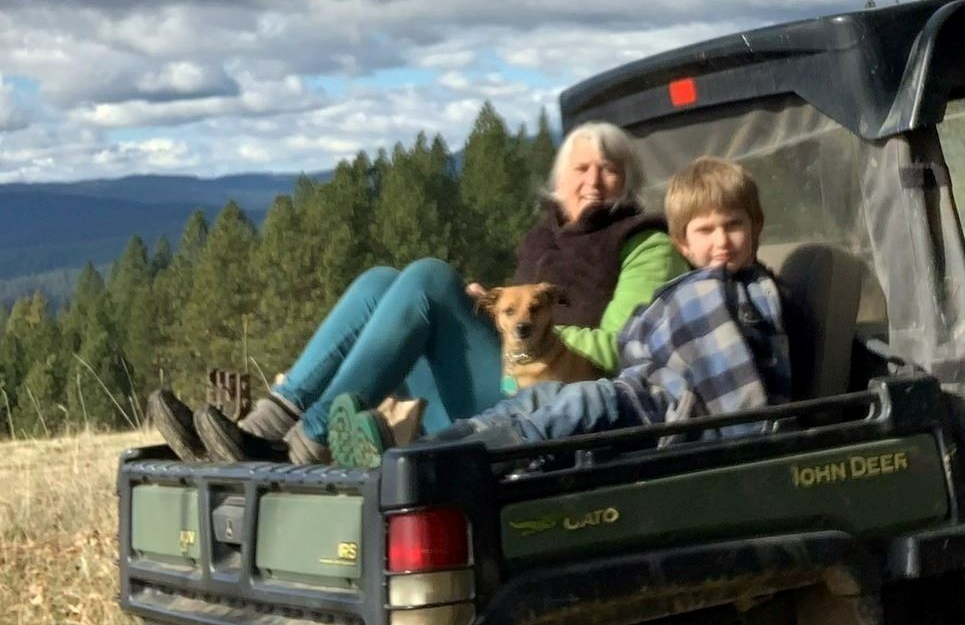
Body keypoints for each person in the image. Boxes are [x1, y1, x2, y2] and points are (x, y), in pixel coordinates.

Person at [147, 122, 685, 465]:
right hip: (506, 378)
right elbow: (517, 318)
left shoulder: (643, 242)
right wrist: (497, 310)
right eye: (582, 168)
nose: (593, 180)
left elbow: (620, 346)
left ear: (627, 181)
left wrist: (528, 325)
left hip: (549, 405)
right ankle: (261, 428)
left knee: (428, 277)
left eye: (609, 170)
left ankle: (309, 442)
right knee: (381, 282)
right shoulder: (543, 239)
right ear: (559, 179)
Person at [326, 156, 790, 467]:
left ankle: (431, 465)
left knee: (568, 406)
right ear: (683, 243)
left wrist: (741, 435)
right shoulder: (679, 290)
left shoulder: (749, 294)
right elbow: (641, 344)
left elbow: (739, 377)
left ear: (757, 227)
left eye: (734, 225)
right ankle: (411, 454)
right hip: (633, 393)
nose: (722, 241)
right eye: (705, 230)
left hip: (656, 412)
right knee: (530, 402)